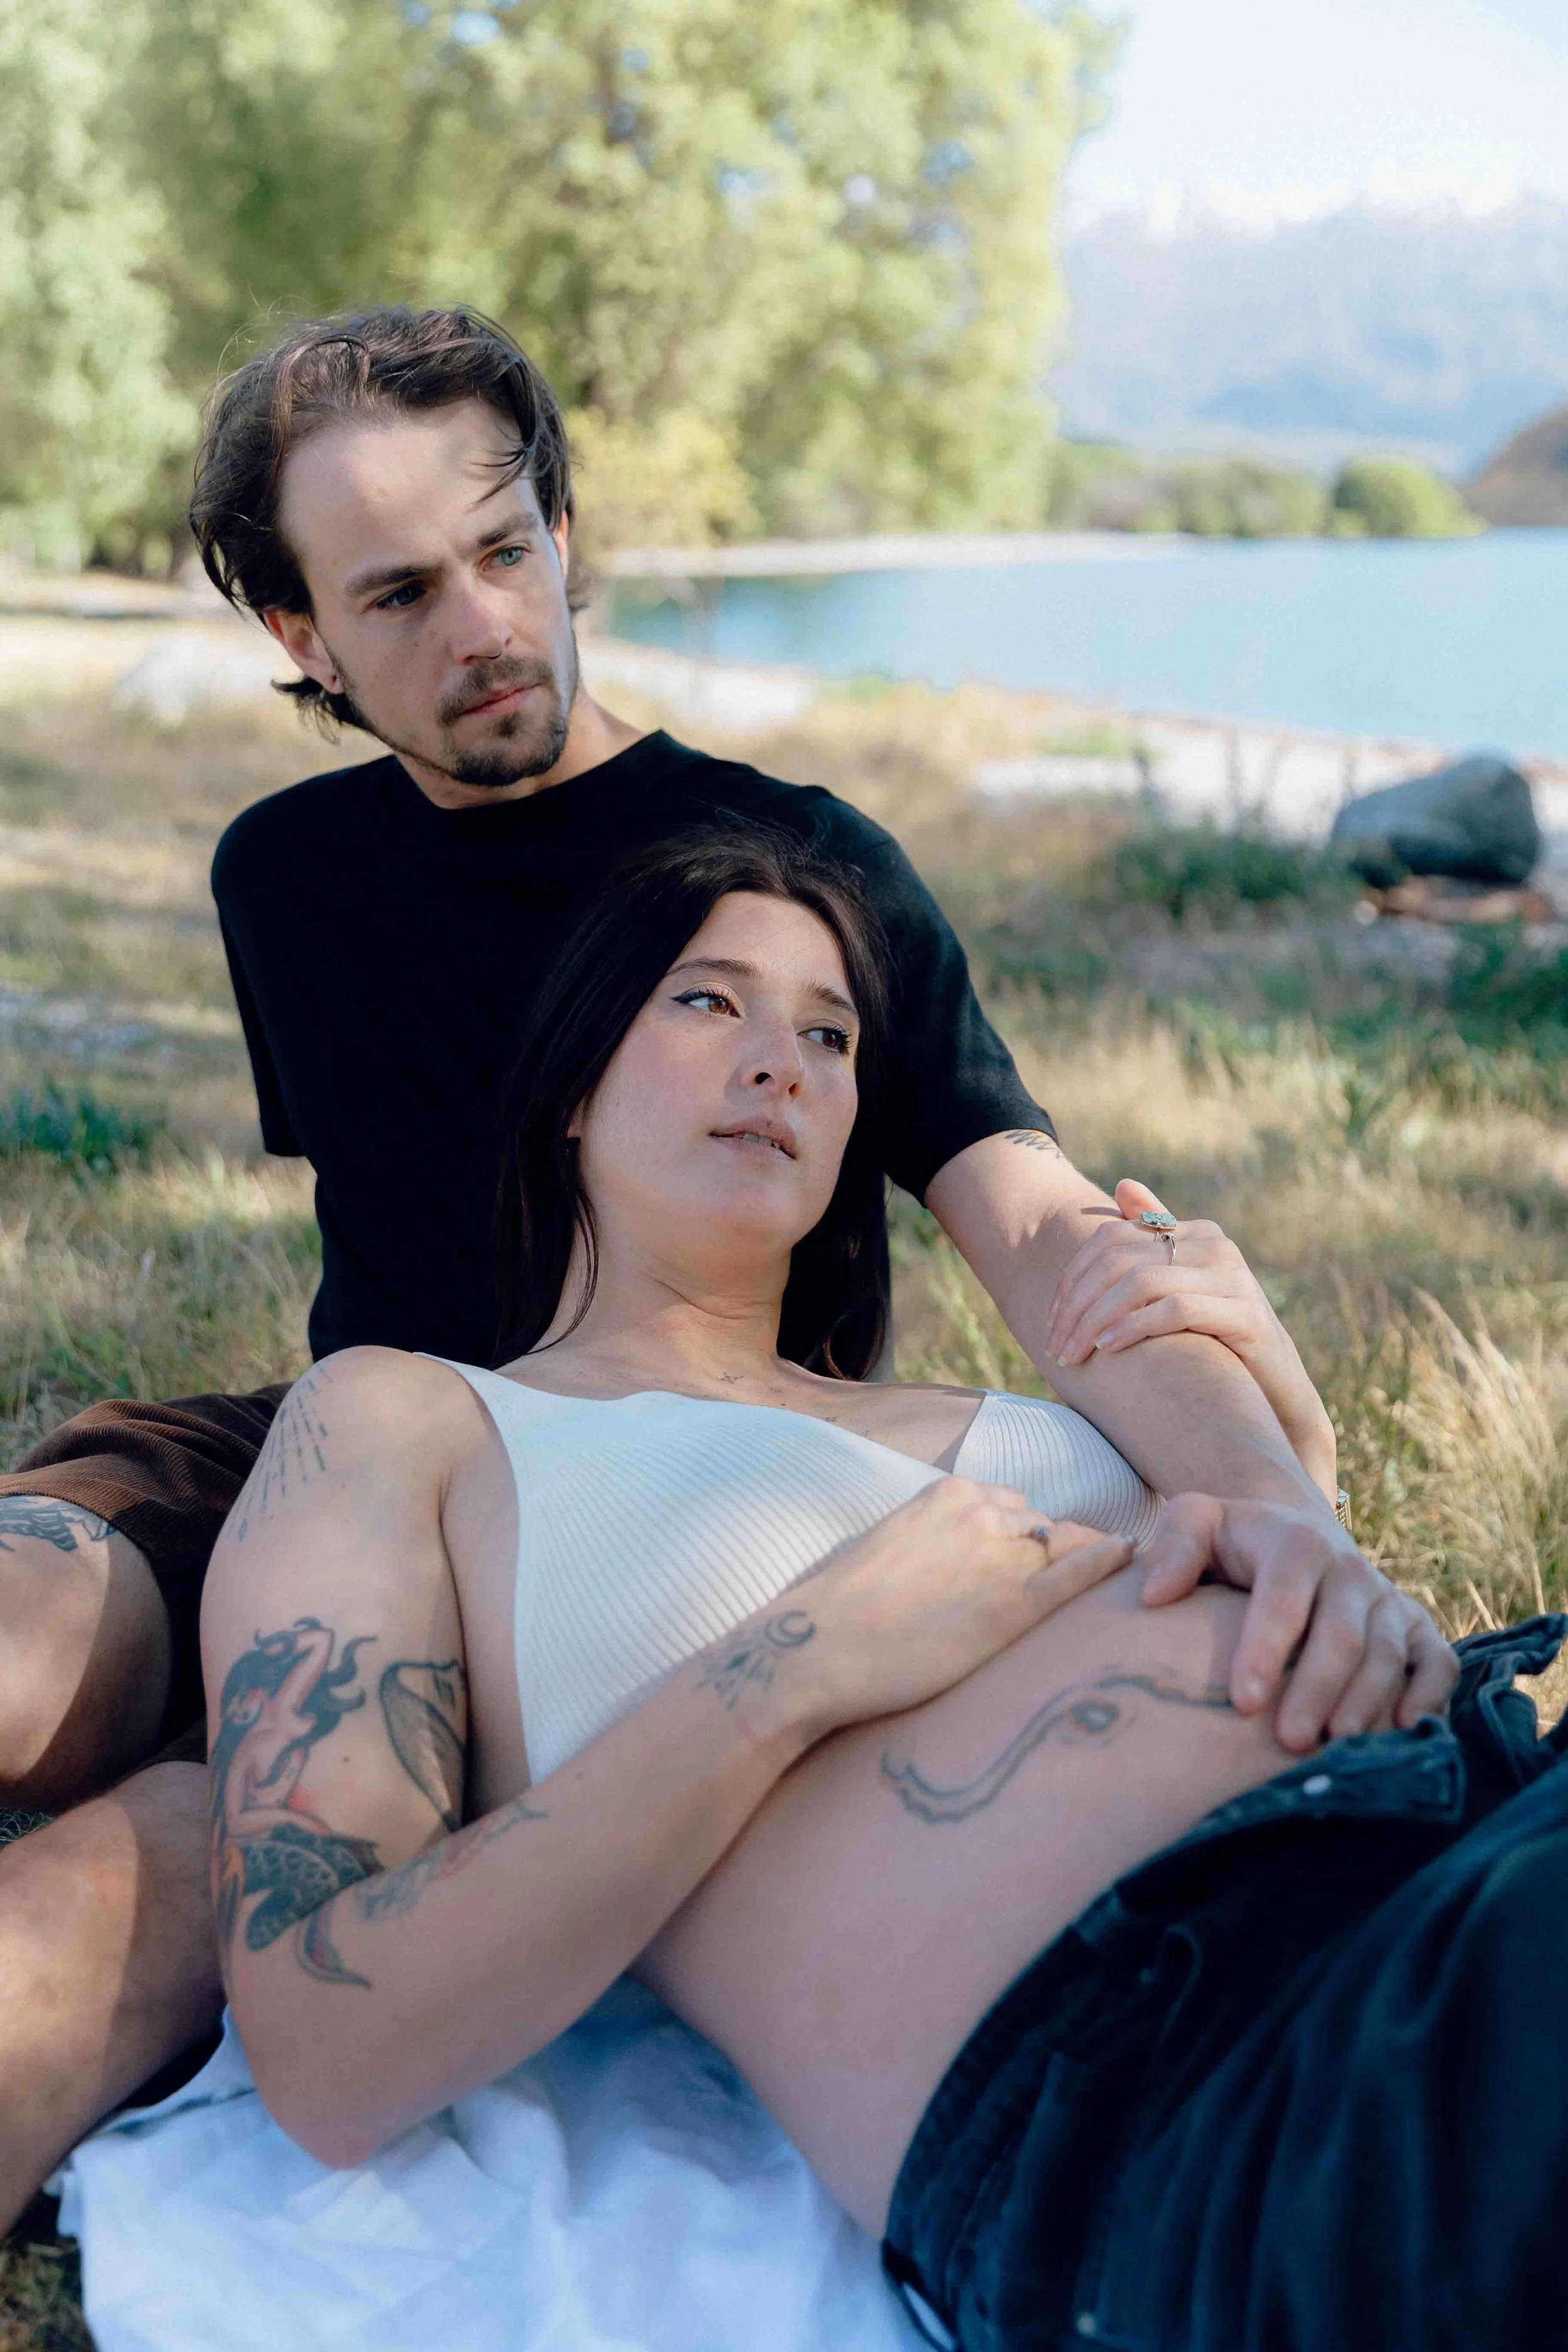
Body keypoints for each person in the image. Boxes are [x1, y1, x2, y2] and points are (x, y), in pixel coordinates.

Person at [0, 306, 1433, 2226]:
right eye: (400, 592)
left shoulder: (790, 868)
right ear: (301, 640)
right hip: (334, 1450)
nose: (483, 623)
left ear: (568, 532)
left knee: (143, 1881)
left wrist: (1268, 1495)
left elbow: (1037, 1224)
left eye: (509, 551)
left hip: (623, 1523)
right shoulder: (289, 876)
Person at [195, 830, 1509, 2352]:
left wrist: (1299, 1462)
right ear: (566, 1082)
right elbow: (322, 2048)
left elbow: (1275, 1617)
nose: (783, 1062)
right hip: (1202, 2051)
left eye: (829, 1033)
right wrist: (806, 1656)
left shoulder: (1023, 1426)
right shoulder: (413, 1422)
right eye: (709, 1004)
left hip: (1475, 1783)